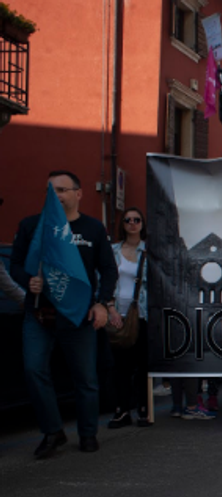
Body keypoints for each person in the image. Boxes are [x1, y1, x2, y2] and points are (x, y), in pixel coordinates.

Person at [10, 171, 118, 458]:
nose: (56, 195)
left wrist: (102, 303)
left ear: (78, 194)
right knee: (34, 372)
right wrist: (27, 280)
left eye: (62, 189)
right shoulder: (32, 225)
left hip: (79, 316)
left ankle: (87, 433)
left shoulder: (93, 229)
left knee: (85, 379)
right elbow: (16, 265)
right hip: (39, 315)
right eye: (51, 190)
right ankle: (52, 431)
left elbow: (108, 270)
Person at [106, 207, 151, 429]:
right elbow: (103, 278)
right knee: (120, 366)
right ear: (122, 224)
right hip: (117, 313)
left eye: (137, 219)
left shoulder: (149, 252)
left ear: (142, 224)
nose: (132, 223)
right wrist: (110, 309)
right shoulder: (113, 250)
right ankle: (122, 410)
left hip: (142, 312)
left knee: (143, 363)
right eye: (128, 220)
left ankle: (144, 408)